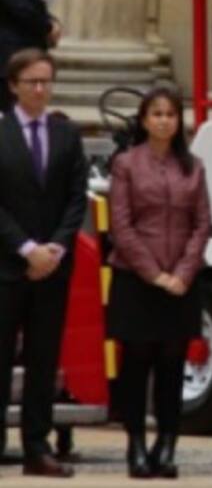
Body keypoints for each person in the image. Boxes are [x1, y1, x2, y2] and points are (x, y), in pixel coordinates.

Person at [106, 86, 211, 479]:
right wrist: (154, 274)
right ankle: (134, 444)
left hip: (181, 282)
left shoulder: (194, 166)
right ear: (144, 120)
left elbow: (202, 224)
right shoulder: (127, 164)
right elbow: (121, 225)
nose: (164, 120)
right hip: (137, 279)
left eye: (171, 114)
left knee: (172, 366)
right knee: (136, 365)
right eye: (156, 114)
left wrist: (182, 273)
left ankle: (167, 445)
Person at [0, 49, 87, 477]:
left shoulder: (66, 134)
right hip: (7, 266)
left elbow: (76, 197)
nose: (39, 88)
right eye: (31, 81)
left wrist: (54, 248)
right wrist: (24, 248)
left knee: (43, 359)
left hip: (51, 268)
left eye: (46, 81)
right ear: (14, 85)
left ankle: (37, 447)